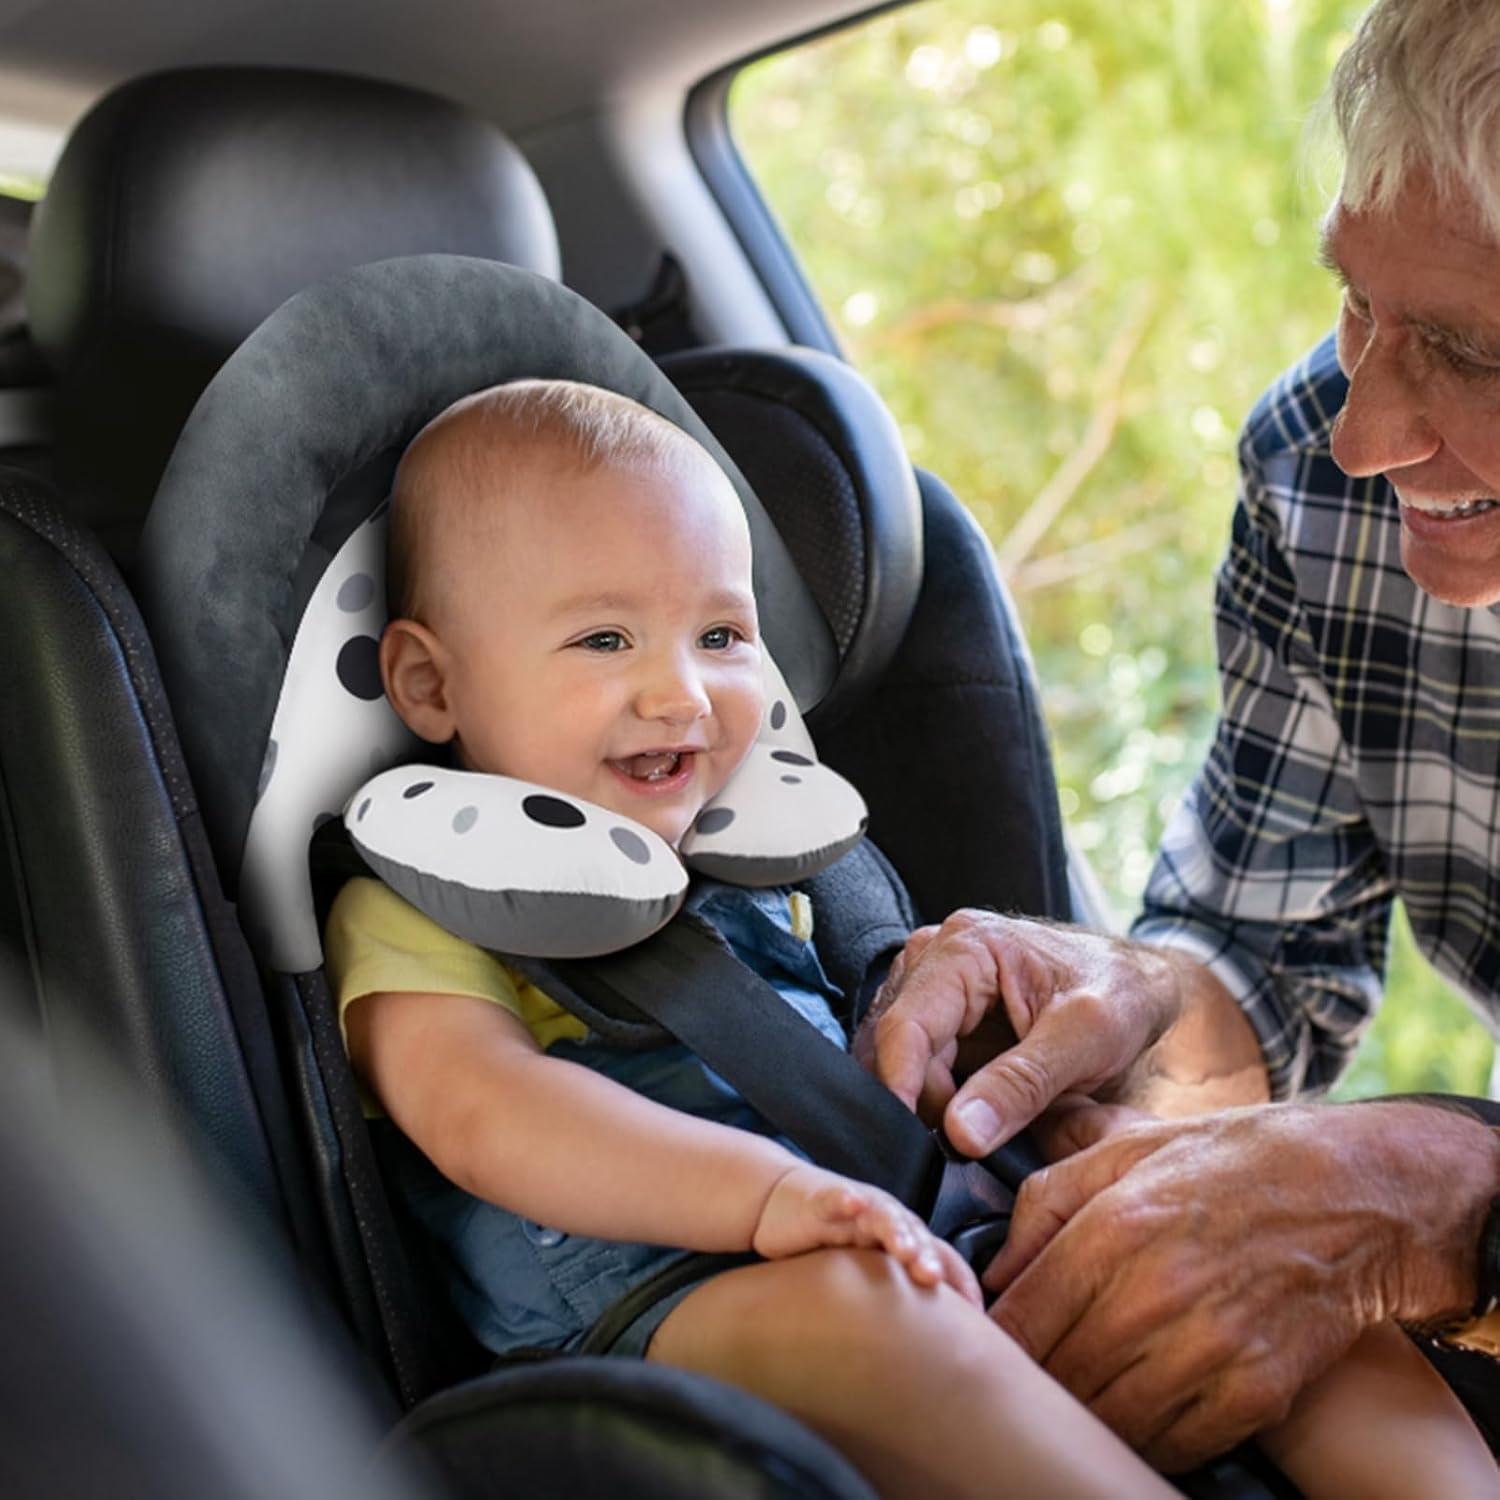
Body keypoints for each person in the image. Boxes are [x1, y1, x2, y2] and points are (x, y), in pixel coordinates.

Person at [327, 378, 1490, 1495]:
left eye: (721, 634)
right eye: (602, 641)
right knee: (882, 1323)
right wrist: (765, 1197)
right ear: (429, 684)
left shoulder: (761, 869)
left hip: (880, 1213)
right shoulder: (416, 907)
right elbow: (482, 1113)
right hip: (657, 1289)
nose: (682, 693)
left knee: (1254, 1252)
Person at [865, 0, 1500, 1476]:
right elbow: (1263, 962)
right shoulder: (1318, 482)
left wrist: (1442, 1187)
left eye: (1470, 349)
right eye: (1357, 301)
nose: (1364, 434)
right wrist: (1130, 1000)